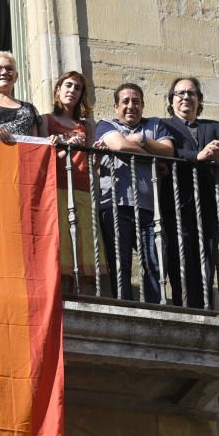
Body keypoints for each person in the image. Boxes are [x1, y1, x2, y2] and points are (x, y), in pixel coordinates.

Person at [95, 83, 173, 302]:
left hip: (150, 208)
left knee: (156, 263)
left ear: (143, 105)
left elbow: (168, 151)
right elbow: (119, 146)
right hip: (115, 205)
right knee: (121, 265)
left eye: (136, 101)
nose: (131, 106)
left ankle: (154, 309)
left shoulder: (155, 125)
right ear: (116, 106)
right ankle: (126, 308)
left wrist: (140, 140)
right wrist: (154, 159)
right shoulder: (106, 125)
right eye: (126, 102)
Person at [159, 77, 219, 309]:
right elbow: (167, 152)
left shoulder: (216, 128)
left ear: (199, 100)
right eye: (180, 93)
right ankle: (185, 306)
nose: (185, 98)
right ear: (171, 100)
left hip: (209, 202)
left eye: (191, 93)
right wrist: (197, 157)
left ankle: (204, 308)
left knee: (208, 258)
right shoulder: (162, 126)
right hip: (177, 203)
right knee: (180, 259)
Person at [42, 71, 102, 291]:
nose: (72, 91)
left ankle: (82, 293)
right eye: (68, 86)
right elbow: (43, 161)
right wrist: (65, 149)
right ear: (58, 90)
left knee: (83, 244)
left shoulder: (87, 125)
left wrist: (99, 154)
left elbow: (93, 163)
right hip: (57, 186)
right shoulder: (45, 120)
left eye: (78, 88)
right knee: (63, 241)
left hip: (83, 186)